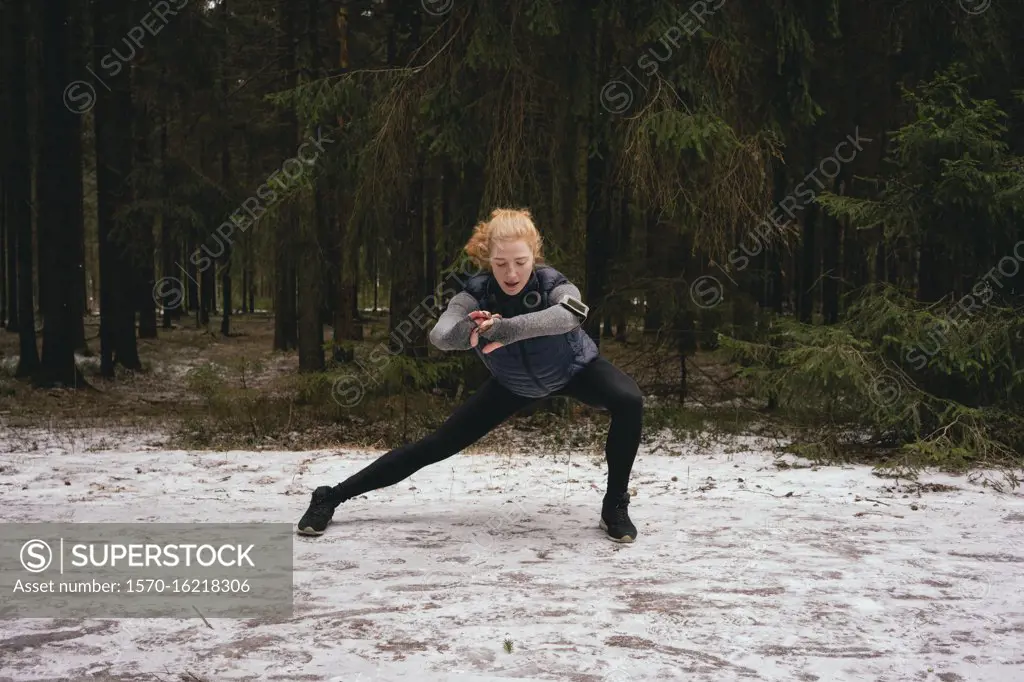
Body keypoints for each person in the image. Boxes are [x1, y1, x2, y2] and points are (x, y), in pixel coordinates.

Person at [297, 208, 645, 542]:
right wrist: (469, 330)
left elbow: (571, 314)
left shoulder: (552, 281)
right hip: (512, 384)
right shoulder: (474, 293)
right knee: (434, 446)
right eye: (501, 263)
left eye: (521, 262)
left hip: (575, 369)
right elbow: (440, 335)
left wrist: (505, 329)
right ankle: (331, 496)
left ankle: (614, 505)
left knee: (629, 400)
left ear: (534, 255)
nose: (511, 273)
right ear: (487, 259)